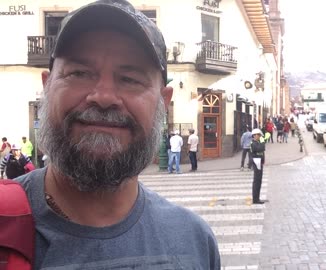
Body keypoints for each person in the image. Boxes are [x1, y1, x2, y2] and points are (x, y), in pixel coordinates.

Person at [15, 1, 220, 269]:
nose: (103, 97)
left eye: (130, 79)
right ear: (47, 86)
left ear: (163, 101)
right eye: (79, 73)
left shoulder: (194, 243)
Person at [251, 128, 266, 204]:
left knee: (258, 181)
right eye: (259, 135)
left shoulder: (256, 142)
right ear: (255, 135)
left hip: (259, 162)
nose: (260, 137)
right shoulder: (253, 143)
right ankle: (255, 199)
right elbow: (261, 148)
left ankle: (257, 198)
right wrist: (263, 142)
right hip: (257, 162)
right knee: (257, 181)